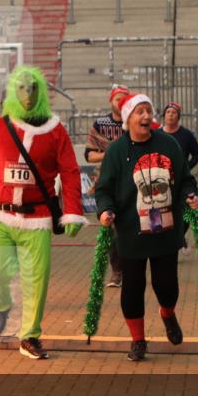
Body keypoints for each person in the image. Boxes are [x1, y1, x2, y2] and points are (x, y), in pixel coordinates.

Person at [0, 65, 86, 360]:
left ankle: (30, 335)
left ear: (41, 91)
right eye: (21, 88)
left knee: (37, 279)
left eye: (33, 88)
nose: (27, 94)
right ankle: (3, 305)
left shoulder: (55, 132)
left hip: (38, 218)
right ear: (12, 92)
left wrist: (72, 211)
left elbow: (69, 172)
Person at [94, 91, 198, 362]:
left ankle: (167, 314)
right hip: (131, 233)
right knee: (132, 288)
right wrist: (105, 210)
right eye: (139, 112)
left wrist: (190, 195)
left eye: (148, 111)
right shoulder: (117, 151)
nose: (146, 116)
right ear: (128, 118)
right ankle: (138, 340)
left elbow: (186, 179)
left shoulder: (168, 144)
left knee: (167, 286)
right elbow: (104, 188)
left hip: (165, 230)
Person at [85, 85, 128, 288]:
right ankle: (117, 271)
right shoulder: (100, 125)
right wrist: (111, 153)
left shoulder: (134, 122)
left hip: (132, 182)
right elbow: (90, 155)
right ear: (111, 100)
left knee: (130, 227)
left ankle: (132, 266)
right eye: (117, 98)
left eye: (124, 98)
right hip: (106, 183)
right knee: (110, 227)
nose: (120, 101)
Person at [161, 101, 198, 257]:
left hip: (181, 181)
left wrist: (186, 167)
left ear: (178, 116)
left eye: (174, 113)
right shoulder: (158, 134)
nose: (170, 115)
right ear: (164, 115)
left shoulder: (186, 135)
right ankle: (171, 242)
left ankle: (180, 236)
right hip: (163, 181)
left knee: (186, 212)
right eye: (168, 112)